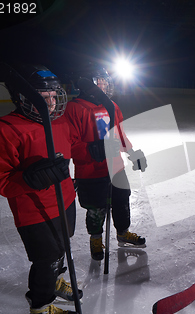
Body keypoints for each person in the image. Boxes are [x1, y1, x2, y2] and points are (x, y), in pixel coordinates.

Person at [0, 64, 81, 314]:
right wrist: (32, 177)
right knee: (46, 259)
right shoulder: (1, 130)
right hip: (34, 210)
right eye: (41, 96)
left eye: (53, 95)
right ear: (22, 97)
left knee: (61, 249)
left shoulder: (62, 122)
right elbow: (2, 182)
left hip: (66, 199)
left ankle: (54, 282)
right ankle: (40, 308)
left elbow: (76, 147)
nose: (50, 102)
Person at [64, 63, 147, 261]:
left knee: (121, 200)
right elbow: (70, 143)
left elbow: (120, 133)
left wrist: (132, 152)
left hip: (115, 167)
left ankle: (123, 232)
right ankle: (95, 239)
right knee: (96, 208)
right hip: (91, 171)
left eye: (105, 81)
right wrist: (92, 150)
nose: (104, 85)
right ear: (86, 83)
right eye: (99, 81)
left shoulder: (112, 106)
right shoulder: (74, 109)